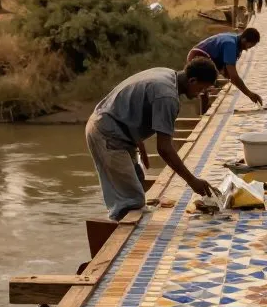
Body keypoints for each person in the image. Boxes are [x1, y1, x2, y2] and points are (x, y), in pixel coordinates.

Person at [86, 60, 219, 220]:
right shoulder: (167, 96)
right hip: (108, 133)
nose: (201, 93)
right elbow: (164, 149)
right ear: (192, 81)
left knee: (138, 181)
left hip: (114, 127)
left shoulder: (168, 74)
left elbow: (132, 105)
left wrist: (139, 144)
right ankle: (124, 236)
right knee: (130, 202)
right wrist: (192, 181)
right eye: (201, 88)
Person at [186, 27, 263, 106]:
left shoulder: (236, 41)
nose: (247, 49)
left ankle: (205, 103)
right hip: (198, 56)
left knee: (213, 83)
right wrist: (250, 94)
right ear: (244, 40)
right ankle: (203, 106)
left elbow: (229, 73)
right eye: (249, 46)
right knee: (205, 84)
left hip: (211, 58)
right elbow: (233, 77)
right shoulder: (230, 45)